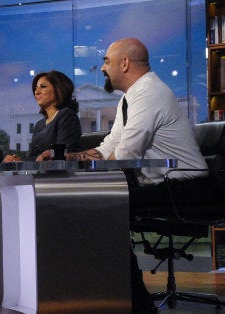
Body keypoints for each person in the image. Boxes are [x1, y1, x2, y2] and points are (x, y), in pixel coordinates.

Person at [39, 38, 208, 313]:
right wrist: (66, 157)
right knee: (91, 206)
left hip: (187, 187)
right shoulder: (129, 99)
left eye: (106, 61)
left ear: (125, 63)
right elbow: (108, 148)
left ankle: (134, 305)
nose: (103, 68)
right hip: (162, 184)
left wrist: (82, 162)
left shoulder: (149, 93)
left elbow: (126, 155)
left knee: (101, 209)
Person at [3, 70, 81, 162]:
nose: (37, 92)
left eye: (43, 86)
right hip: (42, 174)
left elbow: (61, 156)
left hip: (61, 175)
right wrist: (18, 162)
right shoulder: (39, 125)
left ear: (58, 89)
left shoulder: (67, 115)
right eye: (36, 88)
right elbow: (34, 158)